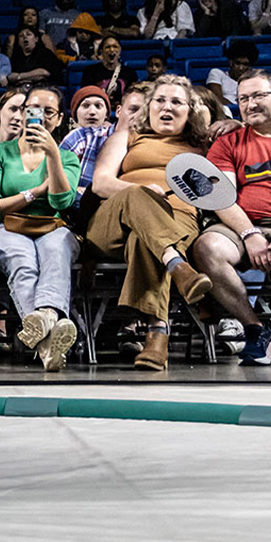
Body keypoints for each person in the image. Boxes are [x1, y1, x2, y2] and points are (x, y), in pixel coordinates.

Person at [84, 75, 217, 371]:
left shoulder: (201, 146)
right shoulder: (128, 136)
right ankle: (178, 267)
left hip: (177, 220)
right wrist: (141, 192)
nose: (166, 107)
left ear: (190, 111)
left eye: (176, 102)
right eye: (160, 100)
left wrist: (231, 125)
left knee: (145, 239)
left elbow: (217, 189)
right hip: (112, 221)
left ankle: (157, 338)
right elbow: (101, 183)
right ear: (149, 106)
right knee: (138, 197)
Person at [189, 74, 271, 364]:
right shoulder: (227, 144)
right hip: (242, 229)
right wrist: (250, 234)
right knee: (207, 247)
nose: (250, 104)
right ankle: (256, 330)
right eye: (243, 99)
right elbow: (221, 197)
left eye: (258, 96)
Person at [0, 84, 81, 371]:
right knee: (23, 259)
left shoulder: (66, 157)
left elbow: (62, 202)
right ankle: (49, 341)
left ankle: (45, 316)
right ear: (22, 114)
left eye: (49, 112)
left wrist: (53, 156)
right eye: (33, 110)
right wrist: (33, 193)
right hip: (5, 228)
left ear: (59, 119)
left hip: (52, 225)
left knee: (55, 250)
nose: (41, 117)